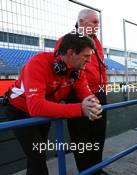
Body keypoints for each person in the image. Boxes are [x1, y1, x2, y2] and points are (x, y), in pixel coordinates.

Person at [3, 33, 103, 175]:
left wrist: (94, 106)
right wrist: (80, 109)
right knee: (37, 156)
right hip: (19, 110)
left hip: (45, 109)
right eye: (86, 56)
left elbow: (88, 96)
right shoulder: (37, 63)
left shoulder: (77, 70)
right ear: (71, 53)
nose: (89, 61)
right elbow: (36, 107)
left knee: (38, 153)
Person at [54, 9, 108, 174]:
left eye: (98, 22)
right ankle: (86, 171)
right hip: (78, 96)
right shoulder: (66, 41)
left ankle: (96, 169)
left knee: (98, 136)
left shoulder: (96, 42)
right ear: (82, 22)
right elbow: (60, 66)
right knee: (81, 139)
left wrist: (103, 91)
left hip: (98, 95)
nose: (98, 25)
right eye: (94, 22)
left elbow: (101, 69)